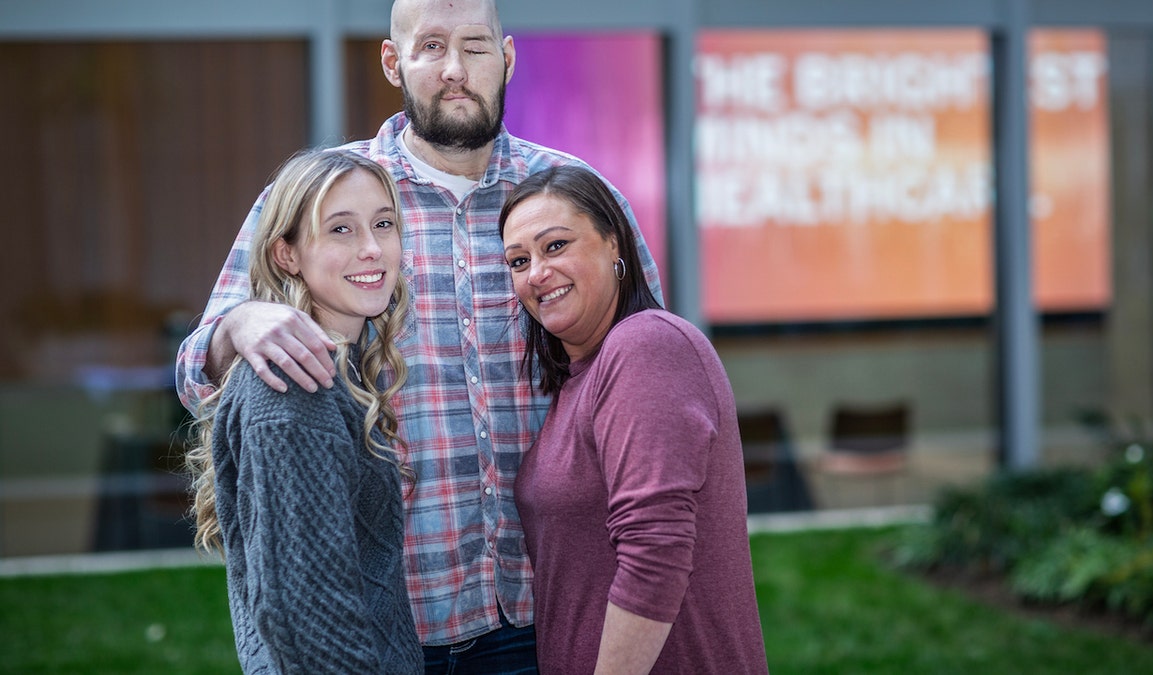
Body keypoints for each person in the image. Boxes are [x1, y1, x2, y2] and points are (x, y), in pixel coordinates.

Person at [175, 0, 662, 670]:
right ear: (392, 60)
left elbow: (646, 373)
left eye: (475, 46)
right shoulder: (334, 197)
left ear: (509, 57)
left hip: (547, 610)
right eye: (431, 46)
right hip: (384, 623)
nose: (455, 70)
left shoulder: (573, 200)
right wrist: (241, 321)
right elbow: (196, 371)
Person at [498, 165, 769, 674]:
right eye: (518, 260)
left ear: (614, 244)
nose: (535, 273)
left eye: (555, 246)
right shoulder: (581, 379)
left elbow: (655, 554)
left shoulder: (646, 345)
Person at [185, 148, 423, 673]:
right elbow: (310, 618)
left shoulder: (340, 367)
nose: (372, 249)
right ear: (286, 255)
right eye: (340, 230)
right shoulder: (295, 386)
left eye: (383, 224)